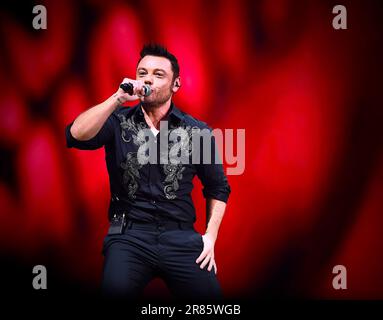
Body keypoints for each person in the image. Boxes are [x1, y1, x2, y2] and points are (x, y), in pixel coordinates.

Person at [65, 43, 231, 300]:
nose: (147, 80)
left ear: (176, 84)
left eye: (158, 74)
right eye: (142, 73)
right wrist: (116, 99)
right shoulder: (118, 120)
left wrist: (210, 238)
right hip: (129, 236)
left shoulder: (197, 132)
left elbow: (218, 187)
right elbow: (75, 134)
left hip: (181, 236)